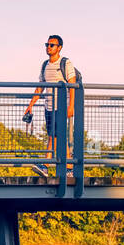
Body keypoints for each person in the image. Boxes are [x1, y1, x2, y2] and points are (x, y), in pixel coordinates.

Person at [22, 35, 78, 176]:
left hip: (61, 106)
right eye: (47, 44)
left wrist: (71, 106)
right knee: (55, 136)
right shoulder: (45, 65)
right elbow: (40, 87)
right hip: (48, 106)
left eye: (52, 45)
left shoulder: (65, 63)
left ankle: (47, 165)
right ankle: (68, 169)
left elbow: (72, 85)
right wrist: (30, 105)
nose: (48, 47)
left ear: (59, 48)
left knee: (54, 135)